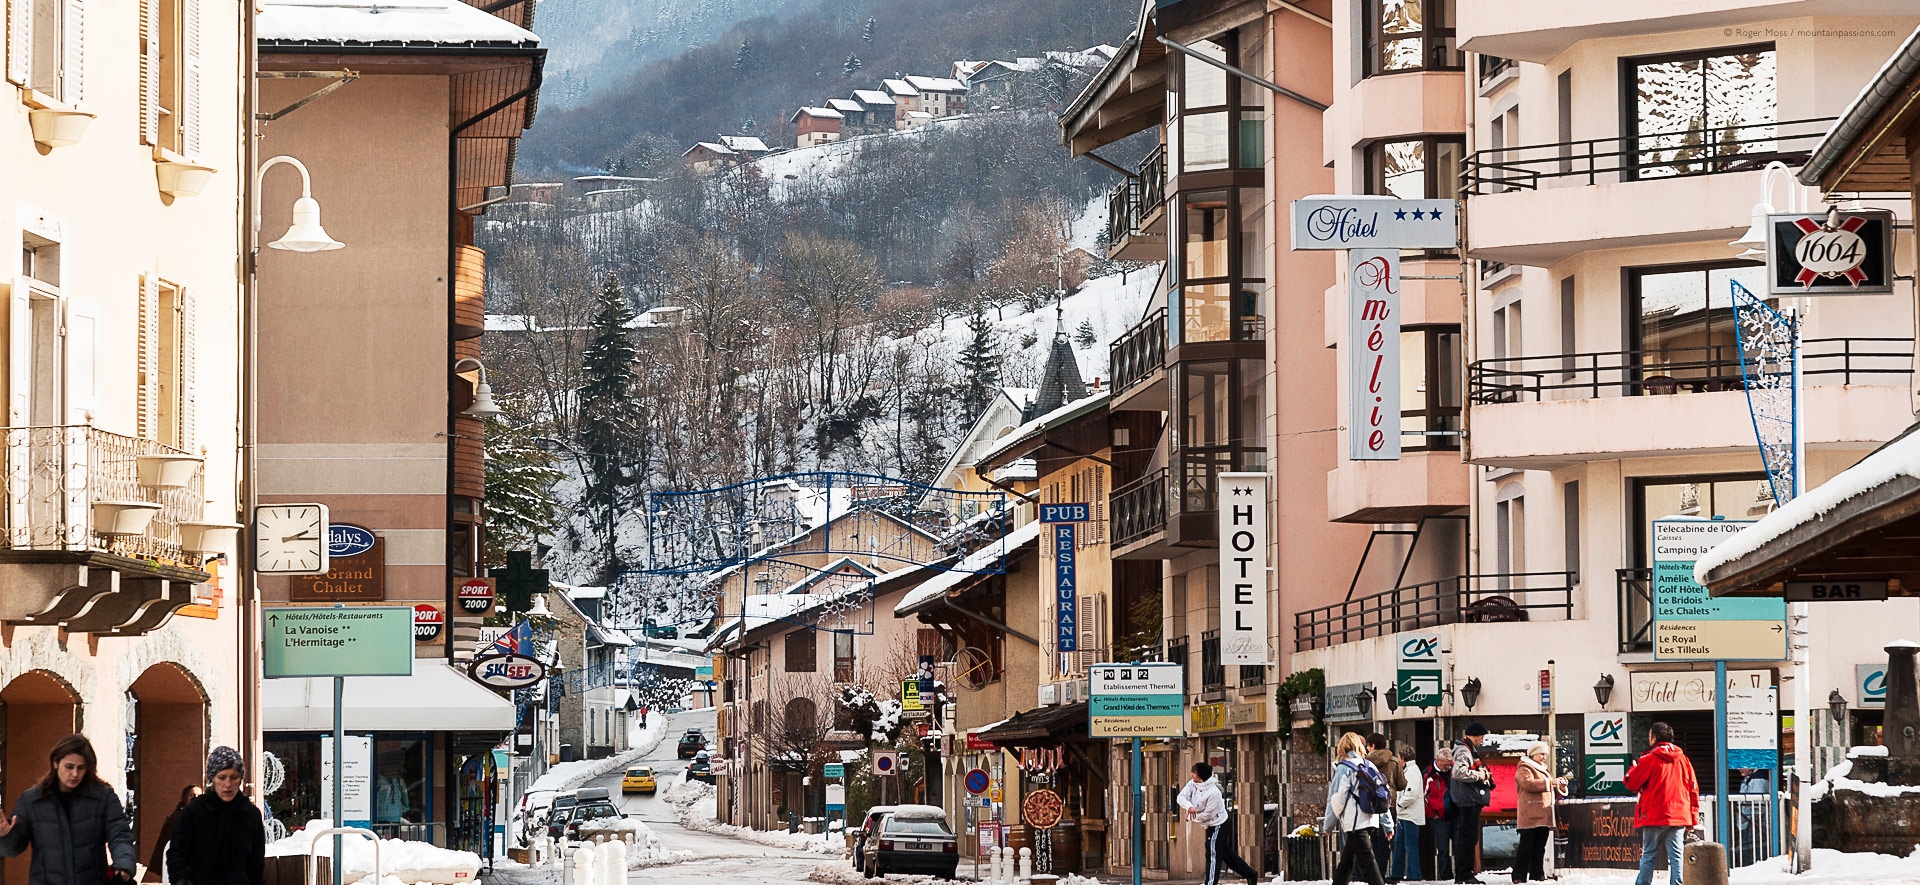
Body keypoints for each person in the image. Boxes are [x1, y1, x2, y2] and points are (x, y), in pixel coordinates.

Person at [0, 733, 137, 885]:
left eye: (81, 768)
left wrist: (124, 865)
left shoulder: (103, 797)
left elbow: (120, 834)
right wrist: (4, 836)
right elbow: (13, 849)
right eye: (69, 767)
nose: (75, 774)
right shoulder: (32, 800)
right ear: (55, 762)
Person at [169, 747, 266, 885]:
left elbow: (256, 864)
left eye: (233, 777)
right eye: (222, 777)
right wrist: (180, 880)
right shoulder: (194, 812)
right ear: (213, 779)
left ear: (240, 779)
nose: (228, 784)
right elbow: (177, 853)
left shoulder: (250, 815)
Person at [1626, 722, 1699, 885]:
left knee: (1649, 855)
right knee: (1676, 856)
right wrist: (1693, 819)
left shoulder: (1649, 759)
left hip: (1654, 815)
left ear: (1654, 738)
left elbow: (1631, 783)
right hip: (1679, 815)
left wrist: (1632, 769)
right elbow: (1693, 788)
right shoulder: (1683, 760)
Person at [1176, 762, 1257, 885]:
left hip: (1218, 824)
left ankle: (1211, 882)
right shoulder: (1193, 784)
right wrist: (1189, 806)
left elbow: (1208, 815)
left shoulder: (1214, 793)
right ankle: (1250, 873)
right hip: (1209, 825)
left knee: (1212, 852)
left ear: (1201, 775)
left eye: (1194, 772)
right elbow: (1180, 797)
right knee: (1225, 854)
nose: (1191, 774)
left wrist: (1193, 816)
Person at [1323, 732, 1385, 885]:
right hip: (1371, 819)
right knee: (1347, 861)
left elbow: (1336, 799)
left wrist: (1328, 825)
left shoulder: (1344, 767)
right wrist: (1388, 824)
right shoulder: (1369, 765)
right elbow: (1381, 794)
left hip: (1355, 822)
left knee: (1368, 862)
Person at [1513, 741, 1567, 883]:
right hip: (1530, 815)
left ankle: (1537, 874)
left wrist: (1560, 785)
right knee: (1526, 846)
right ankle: (1519, 875)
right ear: (1533, 754)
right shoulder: (1524, 767)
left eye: (1545, 754)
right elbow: (1528, 783)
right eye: (1541, 754)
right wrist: (1551, 782)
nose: (1544, 757)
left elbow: (1551, 787)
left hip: (1543, 814)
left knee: (1539, 847)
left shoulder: (1544, 769)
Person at [1447, 723, 1493, 884]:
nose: (1482, 740)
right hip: (1468, 800)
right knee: (1468, 838)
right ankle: (1464, 874)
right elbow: (1459, 772)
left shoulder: (1465, 749)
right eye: (1482, 737)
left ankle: (1463, 874)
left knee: (1468, 838)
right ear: (1474, 735)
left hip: (1468, 799)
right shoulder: (1463, 750)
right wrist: (1480, 776)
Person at [1365, 734, 1407, 879]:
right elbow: (1402, 784)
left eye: (1368, 746)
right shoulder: (1394, 761)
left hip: (1370, 806)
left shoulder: (1365, 762)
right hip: (1390, 804)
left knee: (1369, 841)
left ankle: (1369, 874)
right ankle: (1381, 874)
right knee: (1386, 841)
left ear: (1372, 746)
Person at [145, 785, 203, 882]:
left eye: (199, 795)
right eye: (192, 795)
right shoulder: (177, 817)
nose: (195, 798)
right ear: (185, 798)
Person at [1388, 744, 1424, 884]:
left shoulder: (1412, 771)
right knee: (1400, 845)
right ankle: (1396, 874)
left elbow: (1411, 793)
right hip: (1405, 815)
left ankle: (1414, 874)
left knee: (1409, 845)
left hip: (1409, 815)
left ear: (1402, 758)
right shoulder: (1409, 770)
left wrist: (1399, 804)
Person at [1425, 752, 1455, 882]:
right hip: (1439, 817)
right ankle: (1446, 877)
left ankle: (1461, 875)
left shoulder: (1455, 770)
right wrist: (1432, 814)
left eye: (1449, 764)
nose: (1447, 767)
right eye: (1445, 764)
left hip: (1456, 815)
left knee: (1459, 847)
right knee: (1442, 849)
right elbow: (1424, 796)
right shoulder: (1428, 774)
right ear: (1438, 761)